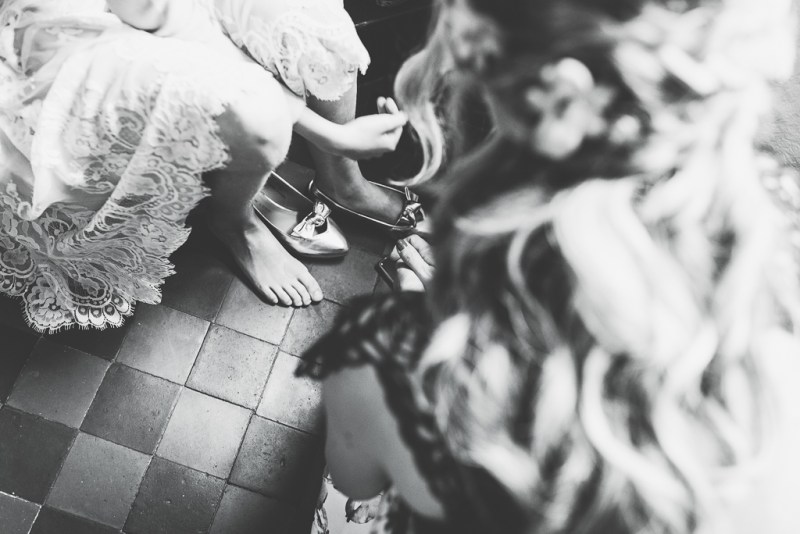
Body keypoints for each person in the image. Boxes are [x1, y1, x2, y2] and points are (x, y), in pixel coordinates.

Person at [298, 0, 800, 533]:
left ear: (561, 99)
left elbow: (354, 479)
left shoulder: (391, 363)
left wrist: (430, 319)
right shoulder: (780, 246)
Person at [0, 0, 408, 331]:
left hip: (156, 9)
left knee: (315, 21)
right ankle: (234, 221)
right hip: (72, 33)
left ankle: (342, 183)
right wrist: (332, 134)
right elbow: (165, 19)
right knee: (255, 113)